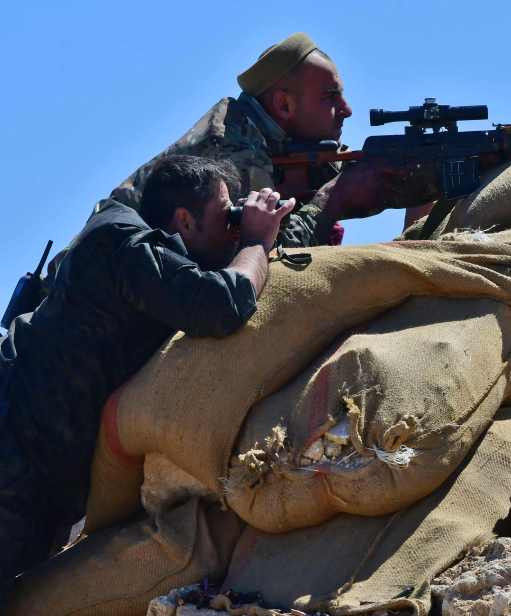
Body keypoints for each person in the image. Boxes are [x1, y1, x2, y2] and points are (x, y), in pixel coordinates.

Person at [0, 155, 294, 585]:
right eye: (223, 215)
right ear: (184, 221)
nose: (230, 229)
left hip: (34, 473)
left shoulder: (146, 258)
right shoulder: (122, 245)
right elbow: (222, 303)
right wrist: (255, 240)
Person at [98, 32, 424, 249]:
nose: (347, 110)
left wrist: (421, 177)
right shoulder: (232, 156)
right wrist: (333, 200)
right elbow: (261, 261)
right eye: (330, 97)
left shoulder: (278, 142)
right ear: (284, 104)